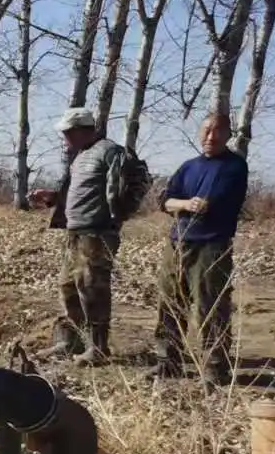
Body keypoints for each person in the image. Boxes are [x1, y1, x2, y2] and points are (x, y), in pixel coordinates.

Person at [28, 107, 144, 366]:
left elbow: (126, 188)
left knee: (93, 289)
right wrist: (52, 199)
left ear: (83, 129)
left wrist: (115, 218)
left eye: (69, 132)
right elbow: (78, 194)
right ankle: (70, 342)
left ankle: (98, 349)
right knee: (68, 288)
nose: (65, 138)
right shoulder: (80, 156)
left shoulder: (110, 152)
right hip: (74, 231)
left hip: (97, 233)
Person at [154, 113, 249, 386]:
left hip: (211, 244)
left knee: (210, 306)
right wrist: (183, 204)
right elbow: (165, 200)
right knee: (170, 303)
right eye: (206, 131)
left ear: (228, 135)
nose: (210, 137)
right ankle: (168, 361)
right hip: (178, 242)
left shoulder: (233, 166)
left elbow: (212, 201)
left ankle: (214, 368)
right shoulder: (188, 166)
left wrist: (189, 203)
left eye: (217, 132)